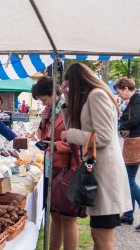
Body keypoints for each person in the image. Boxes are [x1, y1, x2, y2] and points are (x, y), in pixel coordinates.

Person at [60, 63, 132, 250]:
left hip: (106, 176)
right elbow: (73, 128)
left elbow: (104, 136)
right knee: (98, 233)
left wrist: (72, 135)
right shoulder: (91, 96)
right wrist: (67, 100)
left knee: (101, 235)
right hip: (101, 174)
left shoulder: (96, 95)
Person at [32, 76, 80, 250]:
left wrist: (54, 145)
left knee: (68, 217)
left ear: (54, 93)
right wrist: (44, 121)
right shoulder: (51, 111)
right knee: (54, 216)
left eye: (45, 99)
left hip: (67, 169)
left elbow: (75, 140)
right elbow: (42, 136)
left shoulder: (70, 110)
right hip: (51, 167)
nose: (44, 103)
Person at [114, 77, 140, 230]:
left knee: (129, 179)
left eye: (120, 92)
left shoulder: (137, 99)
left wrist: (120, 126)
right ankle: (129, 215)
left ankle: (129, 214)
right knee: (128, 178)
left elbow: (136, 119)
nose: (120, 95)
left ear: (125, 89)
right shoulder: (133, 100)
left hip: (135, 142)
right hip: (133, 142)